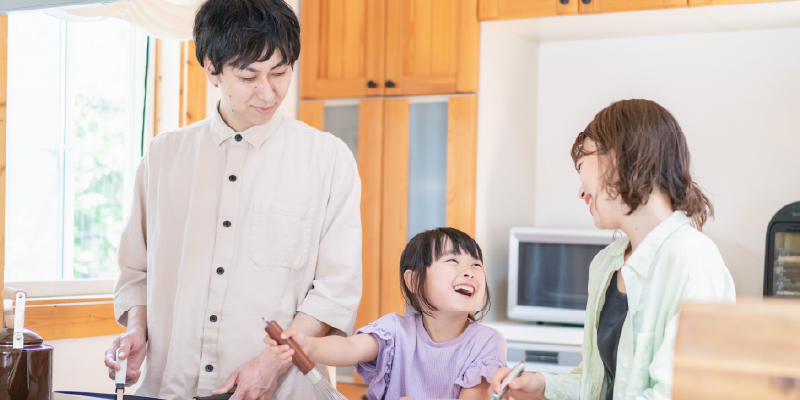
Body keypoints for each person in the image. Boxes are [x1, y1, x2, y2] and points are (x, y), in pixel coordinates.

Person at [102, 0, 363, 399]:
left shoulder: (328, 160)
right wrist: (137, 328)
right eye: (248, 76)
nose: (268, 91)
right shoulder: (162, 156)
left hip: (282, 390)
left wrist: (272, 363)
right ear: (211, 68)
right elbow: (136, 270)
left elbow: (337, 289)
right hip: (172, 386)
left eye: (280, 72)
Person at [490, 99, 736, 400]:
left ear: (619, 159)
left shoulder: (693, 260)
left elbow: (683, 393)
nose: (581, 190)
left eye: (582, 166)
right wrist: (542, 385)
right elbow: (598, 384)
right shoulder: (606, 264)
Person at [268, 227, 506, 400]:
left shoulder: (487, 342)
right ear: (414, 281)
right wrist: (309, 346)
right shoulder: (394, 329)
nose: (469, 272)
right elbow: (350, 348)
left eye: (476, 265)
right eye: (453, 260)